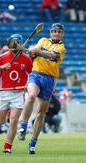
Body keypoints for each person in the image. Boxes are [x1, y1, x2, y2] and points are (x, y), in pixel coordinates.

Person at [17, 23, 66, 154]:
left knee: (40, 113)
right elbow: (34, 54)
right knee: (31, 95)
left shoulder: (62, 48)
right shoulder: (42, 40)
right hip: (36, 74)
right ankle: (22, 126)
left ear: (62, 34)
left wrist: (36, 51)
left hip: (49, 79)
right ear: (51, 32)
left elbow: (51, 55)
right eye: (54, 31)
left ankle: (32, 143)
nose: (56, 33)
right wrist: (31, 52)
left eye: (59, 32)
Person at [0, 34, 33, 154]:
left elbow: (32, 75)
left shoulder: (27, 59)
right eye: (13, 42)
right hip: (3, 93)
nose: (15, 44)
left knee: (14, 120)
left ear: (21, 44)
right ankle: (8, 111)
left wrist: (28, 85)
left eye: (17, 42)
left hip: (18, 94)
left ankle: (7, 147)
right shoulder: (2, 57)